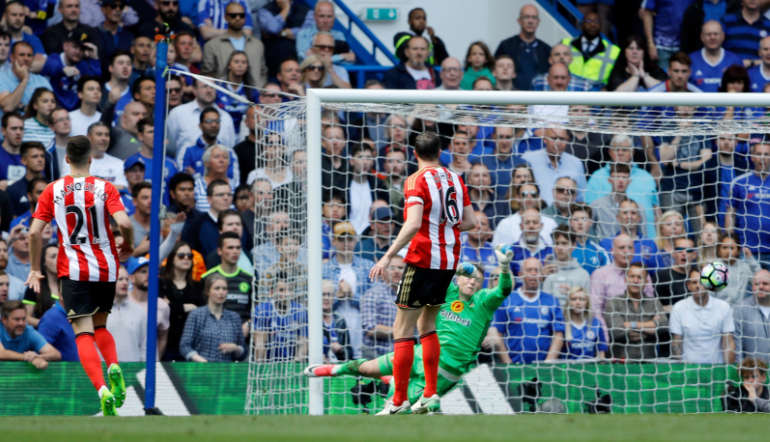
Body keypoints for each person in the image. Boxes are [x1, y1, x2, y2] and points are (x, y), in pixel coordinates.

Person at [306, 247, 513, 413]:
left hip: (444, 372)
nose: (472, 281)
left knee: (399, 411)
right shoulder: (448, 292)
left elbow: (504, 289)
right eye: (468, 276)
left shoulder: (484, 301)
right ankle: (330, 369)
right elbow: (435, 273)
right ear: (457, 279)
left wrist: (504, 268)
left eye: (477, 279)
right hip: (419, 355)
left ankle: (396, 390)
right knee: (367, 369)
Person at [25, 135, 134, 416]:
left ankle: (102, 390)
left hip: (72, 269)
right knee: (100, 327)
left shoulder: (53, 190)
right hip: (106, 267)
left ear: (67, 159)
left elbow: (35, 231)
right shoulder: (104, 187)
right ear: (91, 158)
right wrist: (129, 243)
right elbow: (123, 221)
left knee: (82, 332)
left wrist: (35, 268)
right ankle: (113, 366)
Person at [368, 132, 476, 414]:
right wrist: (444, 229)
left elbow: (414, 223)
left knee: (402, 330)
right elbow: (470, 222)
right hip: (447, 263)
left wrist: (388, 255)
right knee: (427, 327)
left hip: (422, 260)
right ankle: (429, 394)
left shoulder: (415, 180)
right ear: (441, 151)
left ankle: (399, 399)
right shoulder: (455, 179)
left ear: (413, 154)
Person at [495, 257, 564, 363]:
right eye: (529, 270)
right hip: (514, 366)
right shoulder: (507, 300)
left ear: (542, 276)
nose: (533, 273)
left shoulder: (552, 301)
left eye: (537, 270)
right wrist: (508, 364)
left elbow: (558, 335)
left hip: (542, 368)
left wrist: (548, 363)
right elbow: (498, 334)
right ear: (520, 274)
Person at [670, 268, 736, 364]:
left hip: (716, 369)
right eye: (694, 282)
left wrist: (728, 371)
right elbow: (676, 343)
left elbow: (728, 342)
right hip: (689, 370)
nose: (698, 286)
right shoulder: (678, 308)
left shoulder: (723, 307)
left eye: (702, 282)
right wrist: (681, 369)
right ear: (688, 286)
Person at [603, 262, 667, 360]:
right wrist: (650, 327)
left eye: (639, 277)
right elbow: (617, 331)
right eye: (632, 276)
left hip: (648, 363)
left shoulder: (654, 302)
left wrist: (631, 325)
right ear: (625, 279)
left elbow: (663, 327)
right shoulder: (613, 303)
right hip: (620, 363)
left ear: (646, 281)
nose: (635, 281)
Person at [179, 273, 245, 362]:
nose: (221, 292)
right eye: (217, 288)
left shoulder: (234, 317)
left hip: (227, 371)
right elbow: (184, 346)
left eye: (224, 289)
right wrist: (201, 360)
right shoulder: (196, 315)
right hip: (200, 370)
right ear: (207, 291)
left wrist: (236, 348)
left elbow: (243, 350)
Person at [201, 1, 267, 89]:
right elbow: (207, 75)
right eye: (233, 15)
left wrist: (259, 90)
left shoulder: (257, 45)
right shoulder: (212, 45)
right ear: (225, 17)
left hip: (254, 96)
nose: (238, 18)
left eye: (241, 15)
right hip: (222, 97)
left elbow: (263, 72)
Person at [166, 79, 236, 160]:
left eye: (212, 87)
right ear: (194, 90)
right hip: (186, 170)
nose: (209, 90)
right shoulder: (177, 114)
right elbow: (170, 148)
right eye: (205, 86)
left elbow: (230, 148)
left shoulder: (226, 118)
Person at [726, 139, 770, 268]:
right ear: (752, 157)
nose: (762, 158)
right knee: (748, 288)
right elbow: (730, 213)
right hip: (747, 250)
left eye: (766, 154)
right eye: (758, 154)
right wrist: (731, 242)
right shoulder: (739, 182)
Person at [159, 241, 204, 361]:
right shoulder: (161, 284)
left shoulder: (198, 286)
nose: (186, 259)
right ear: (172, 258)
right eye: (181, 255)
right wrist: (185, 307)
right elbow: (160, 309)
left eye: (190, 256)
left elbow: (200, 312)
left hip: (190, 345)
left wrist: (172, 305)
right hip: (165, 343)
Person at [522, 127, 587, 206]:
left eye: (562, 139)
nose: (558, 142)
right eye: (554, 138)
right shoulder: (529, 159)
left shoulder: (576, 163)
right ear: (544, 139)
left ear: (567, 140)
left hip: (567, 214)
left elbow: (581, 197)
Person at [252, 270, 308, 361]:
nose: (287, 294)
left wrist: (295, 365)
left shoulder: (300, 311)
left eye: (290, 290)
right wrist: (262, 369)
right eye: (282, 290)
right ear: (271, 293)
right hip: (269, 363)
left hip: (292, 363)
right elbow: (260, 345)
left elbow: (304, 343)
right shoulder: (263, 310)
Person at [201, 231, 253, 328]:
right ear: (219, 251)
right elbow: (202, 309)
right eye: (230, 247)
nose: (235, 251)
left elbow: (255, 309)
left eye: (238, 248)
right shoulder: (207, 278)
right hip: (214, 332)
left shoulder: (249, 279)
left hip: (243, 335)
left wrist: (248, 325)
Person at [494, 4, 551, 91]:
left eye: (534, 17)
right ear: (519, 20)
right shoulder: (506, 46)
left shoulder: (546, 49)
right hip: (512, 99)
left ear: (538, 21)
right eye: (526, 17)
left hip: (539, 99)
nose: (530, 21)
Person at [559, 12, 620, 87]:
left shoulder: (614, 51)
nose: (592, 25)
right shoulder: (565, 43)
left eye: (596, 22)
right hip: (570, 90)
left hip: (597, 94)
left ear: (601, 26)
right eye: (588, 21)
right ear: (581, 25)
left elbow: (616, 79)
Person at [0, 300, 61, 368]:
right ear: (4, 320)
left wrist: (37, 357)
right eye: (17, 319)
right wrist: (27, 358)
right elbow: (1, 353)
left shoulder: (28, 331)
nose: (21, 323)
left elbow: (56, 354)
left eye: (23, 319)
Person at [689, 21, 744, 93]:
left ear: (723, 36)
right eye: (708, 34)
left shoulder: (735, 60)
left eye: (716, 34)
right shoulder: (691, 60)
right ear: (702, 37)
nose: (712, 37)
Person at [542, 225, 591, 304]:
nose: (559, 247)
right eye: (556, 243)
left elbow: (587, 307)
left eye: (564, 243)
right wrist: (541, 280)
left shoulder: (583, 275)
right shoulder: (547, 272)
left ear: (574, 245)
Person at [640, 0, 694, 70]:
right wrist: (650, 44)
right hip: (661, 45)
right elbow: (646, 13)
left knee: (683, 78)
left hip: (685, 45)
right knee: (662, 78)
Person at [0, 42, 52, 114]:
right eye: (21, 55)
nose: (26, 58)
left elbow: (51, 108)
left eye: (29, 55)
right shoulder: (2, 77)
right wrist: (24, 80)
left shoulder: (42, 81)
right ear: (12, 57)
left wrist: (22, 107)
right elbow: (8, 107)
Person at [733, 269, 770, 363]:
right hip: (753, 373)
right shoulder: (741, 309)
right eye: (756, 284)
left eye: (765, 284)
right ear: (752, 287)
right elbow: (737, 344)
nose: (760, 287)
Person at [561, 286, 608, 360]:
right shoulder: (561, 323)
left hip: (590, 369)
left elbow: (601, 352)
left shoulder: (595, 323)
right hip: (567, 368)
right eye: (574, 299)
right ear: (569, 302)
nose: (578, 302)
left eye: (582, 299)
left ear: (587, 303)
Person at [715, 233, 760, 306]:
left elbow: (760, 279)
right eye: (724, 247)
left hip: (739, 310)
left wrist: (751, 259)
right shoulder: (713, 267)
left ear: (738, 251)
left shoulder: (744, 267)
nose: (728, 251)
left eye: (731, 248)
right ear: (719, 250)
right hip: (718, 309)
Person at [22, 243, 59, 327]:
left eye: (60, 256)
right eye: (53, 256)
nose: (58, 259)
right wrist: (48, 325)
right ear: (44, 262)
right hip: (43, 334)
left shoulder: (69, 285)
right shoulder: (35, 286)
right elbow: (27, 318)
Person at [570, 203, 609, 275]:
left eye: (584, 219)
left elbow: (607, 277)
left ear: (590, 222)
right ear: (570, 222)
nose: (580, 223)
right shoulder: (564, 249)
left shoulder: (600, 251)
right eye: (576, 219)